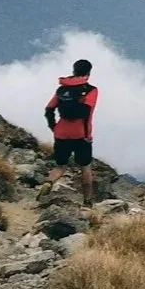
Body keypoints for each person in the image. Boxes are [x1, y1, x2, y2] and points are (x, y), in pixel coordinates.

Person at [44, 58, 99, 206]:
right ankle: (87, 202)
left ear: (74, 70)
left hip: (61, 133)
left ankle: (49, 182)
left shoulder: (62, 90)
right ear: (88, 73)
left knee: (60, 166)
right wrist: (87, 135)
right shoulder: (91, 90)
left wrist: (54, 127)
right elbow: (86, 113)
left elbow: (49, 109)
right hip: (81, 134)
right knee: (85, 168)